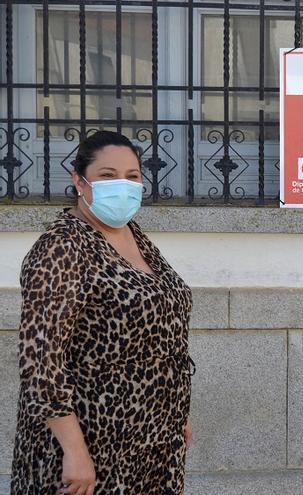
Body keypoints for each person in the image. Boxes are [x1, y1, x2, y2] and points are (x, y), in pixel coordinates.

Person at [11, 131, 195, 495]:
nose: (122, 186)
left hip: (153, 436)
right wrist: (75, 452)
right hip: (93, 437)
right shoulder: (62, 247)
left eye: (132, 176)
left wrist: (177, 412)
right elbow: (40, 361)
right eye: (108, 175)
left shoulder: (133, 235)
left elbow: (159, 330)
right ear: (79, 180)